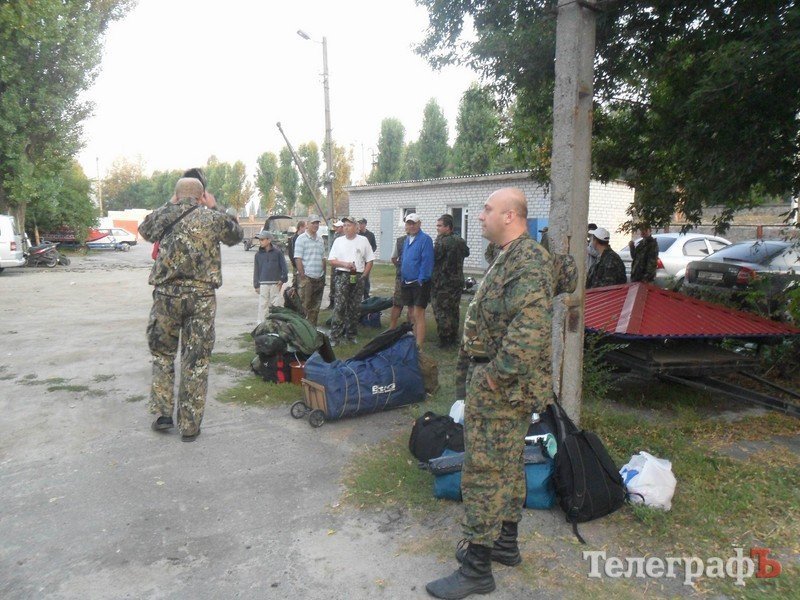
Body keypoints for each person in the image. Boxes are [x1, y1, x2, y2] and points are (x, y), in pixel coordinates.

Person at [426, 187, 559, 599]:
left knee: (484, 471)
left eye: (487, 209)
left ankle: (476, 568)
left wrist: (492, 378)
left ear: (509, 216)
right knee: (505, 464)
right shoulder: (508, 255)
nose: (480, 215)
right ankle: (505, 543)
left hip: (503, 385)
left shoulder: (529, 262)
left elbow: (530, 332)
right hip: (499, 382)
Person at [139, 175, 243, 442]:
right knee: (195, 361)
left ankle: (163, 414)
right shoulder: (213, 219)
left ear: (176, 195)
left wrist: (169, 203)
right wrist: (216, 207)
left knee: (163, 355)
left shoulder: (165, 215)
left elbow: (145, 230)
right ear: (201, 196)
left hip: (166, 296)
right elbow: (237, 234)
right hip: (201, 298)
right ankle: (189, 426)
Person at [327, 216, 375, 345]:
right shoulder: (338, 241)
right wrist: (345, 264)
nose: (346, 227)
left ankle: (351, 335)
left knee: (354, 306)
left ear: (356, 227)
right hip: (342, 275)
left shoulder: (363, 240)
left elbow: (370, 260)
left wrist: (364, 276)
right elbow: (331, 261)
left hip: (358, 275)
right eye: (345, 225)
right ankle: (335, 336)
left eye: (349, 225)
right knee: (340, 306)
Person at [432, 214, 470, 348]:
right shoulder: (460, 240)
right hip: (457, 280)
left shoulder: (442, 241)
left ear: (448, 227)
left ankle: (445, 340)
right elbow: (467, 253)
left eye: (440, 226)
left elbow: (434, 257)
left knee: (442, 311)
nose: (437, 228)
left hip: (443, 282)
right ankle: (453, 337)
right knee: (454, 310)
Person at [400, 213, 434, 348]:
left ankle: (419, 345)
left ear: (419, 224)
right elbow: (404, 259)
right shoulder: (406, 240)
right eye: (409, 223)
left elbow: (427, 261)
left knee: (418, 313)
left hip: (419, 282)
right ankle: (413, 340)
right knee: (410, 313)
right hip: (406, 281)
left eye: (414, 223)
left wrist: (421, 279)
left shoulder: (425, 239)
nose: (411, 226)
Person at [294, 215, 326, 326]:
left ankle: (312, 331)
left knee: (315, 308)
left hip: (319, 278)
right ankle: (301, 332)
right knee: (304, 307)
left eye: (317, 223)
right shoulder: (301, 239)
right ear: (307, 224)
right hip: (306, 278)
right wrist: (302, 276)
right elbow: (298, 258)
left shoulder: (320, 239)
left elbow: (323, 258)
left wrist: (323, 275)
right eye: (313, 223)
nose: (316, 225)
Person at [253, 230, 288, 323]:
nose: (260, 241)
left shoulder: (277, 253)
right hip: (263, 283)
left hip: (275, 283)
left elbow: (284, 266)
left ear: (269, 240)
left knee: (276, 304)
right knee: (262, 305)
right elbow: (256, 270)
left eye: (262, 239)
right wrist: (256, 285)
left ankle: (276, 324)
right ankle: (261, 325)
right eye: (259, 240)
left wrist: (282, 279)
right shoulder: (258, 255)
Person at [389, 221, 411, 329]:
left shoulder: (421, 240)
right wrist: (400, 267)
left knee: (412, 305)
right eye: (408, 225)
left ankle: (410, 327)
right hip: (401, 278)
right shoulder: (400, 241)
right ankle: (392, 328)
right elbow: (393, 258)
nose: (410, 227)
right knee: (397, 303)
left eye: (412, 224)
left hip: (415, 279)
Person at [326, 219, 345, 310]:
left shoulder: (344, 238)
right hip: (334, 262)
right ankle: (332, 302)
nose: (335, 228)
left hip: (341, 264)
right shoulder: (336, 236)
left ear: (342, 228)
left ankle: (338, 303)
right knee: (333, 282)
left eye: (337, 227)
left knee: (339, 283)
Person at [357, 218, 377, 299]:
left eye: (361, 224)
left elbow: (374, 246)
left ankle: (366, 295)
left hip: (367, 260)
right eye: (359, 224)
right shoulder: (357, 235)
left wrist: (370, 253)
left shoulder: (370, 235)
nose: (360, 225)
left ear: (365, 224)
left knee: (366, 277)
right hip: (358, 259)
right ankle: (358, 294)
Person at [288, 220, 306, 290]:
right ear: (301, 227)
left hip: (305, 266)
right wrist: (296, 265)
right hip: (297, 266)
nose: (306, 229)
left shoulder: (305, 238)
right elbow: (291, 253)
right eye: (305, 227)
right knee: (296, 284)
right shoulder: (294, 239)